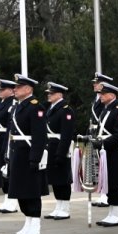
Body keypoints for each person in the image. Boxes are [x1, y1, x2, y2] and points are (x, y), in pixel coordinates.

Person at [6, 74, 49, 234]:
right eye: (14, 87)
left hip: (29, 154)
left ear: (28, 89)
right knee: (20, 191)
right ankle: (27, 223)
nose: (14, 89)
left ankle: (35, 226)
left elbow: (39, 136)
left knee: (32, 191)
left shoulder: (35, 107)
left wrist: (35, 158)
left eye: (18, 87)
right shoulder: (18, 107)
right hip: (18, 154)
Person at [92, 82, 118, 227]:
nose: (100, 96)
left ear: (112, 95)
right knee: (107, 182)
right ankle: (111, 212)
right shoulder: (106, 110)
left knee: (114, 183)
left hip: (113, 151)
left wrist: (103, 144)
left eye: (103, 94)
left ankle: (117, 214)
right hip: (105, 151)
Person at [42, 82, 76, 221]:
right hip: (51, 147)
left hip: (60, 148)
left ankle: (65, 208)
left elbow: (67, 135)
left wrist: (61, 153)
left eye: (52, 93)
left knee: (63, 179)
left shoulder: (66, 110)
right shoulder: (50, 108)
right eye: (49, 93)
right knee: (54, 179)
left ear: (60, 94)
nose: (49, 95)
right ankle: (58, 206)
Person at [0, 79, 18, 213]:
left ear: (11, 90)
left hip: (6, 140)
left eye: (3, 89)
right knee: (2, 172)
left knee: (9, 171)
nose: (0, 92)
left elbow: (11, 127)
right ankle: (6, 199)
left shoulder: (13, 104)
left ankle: (12, 201)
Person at [89, 72, 114, 207]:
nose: (94, 85)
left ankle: (105, 195)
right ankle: (102, 193)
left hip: (104, 135)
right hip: (95, 133)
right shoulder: (96, 99)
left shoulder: (106, 100)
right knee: (97, 166)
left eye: (97, 83)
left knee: (105, 167)